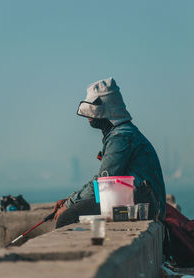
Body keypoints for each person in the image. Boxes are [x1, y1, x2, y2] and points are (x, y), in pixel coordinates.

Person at [54, 77, 166, 228]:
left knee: (67, 218)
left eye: (92, 109)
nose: (88, 116)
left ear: (107, 110)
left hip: (143, 208)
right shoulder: (123, 133)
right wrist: (72, 199)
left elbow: (104, 182)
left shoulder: (121, 137)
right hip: (147, 205)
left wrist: (69, 205)